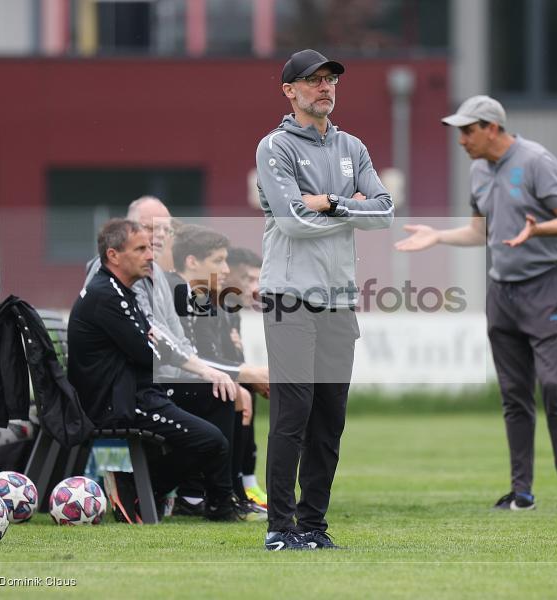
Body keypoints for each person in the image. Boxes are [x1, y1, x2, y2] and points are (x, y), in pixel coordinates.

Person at [395, 95, 557, 511]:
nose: (461, 139)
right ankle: (522, 493)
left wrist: (538, 231)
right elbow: (478, 232)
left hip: (546, 285)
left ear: (493, 128)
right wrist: (439, 236)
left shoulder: (537, 161)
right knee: (514, 393)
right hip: (501, 290)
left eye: (468, 130)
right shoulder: (478, 171)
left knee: (553, 386)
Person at [256, 49, 394, 550]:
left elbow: (385, 213)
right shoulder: (274, 147)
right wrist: (353, 206)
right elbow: (293, 221)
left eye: (330, 79)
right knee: (293, 414)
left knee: (330, 417)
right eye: (313, 81)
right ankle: (279, 528)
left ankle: (313, 525)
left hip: (338, 299)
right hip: (289, 297)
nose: (325, 87)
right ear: (289, 91)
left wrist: (332, 202)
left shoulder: (352, 147)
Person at [68, 218, 242, 521]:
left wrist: (208, 372)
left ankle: (219, 503)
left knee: (218, 393)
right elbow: (150, 353)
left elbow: (156, 345)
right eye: (140, 249)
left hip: (139, 393)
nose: (150, 255)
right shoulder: (106, 295)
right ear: (113, 256)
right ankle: (137, 486)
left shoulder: (124, 291)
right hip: (118, 403)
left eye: (150, 248)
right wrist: (154, 346)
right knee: (211, 441)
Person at [163, 224, 269, 521]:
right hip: (161, 385)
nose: (225, 268)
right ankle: (214, 497)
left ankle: (230, 492)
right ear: (192, 261)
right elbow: (185, 357)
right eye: (218, 261)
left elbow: (209, 355)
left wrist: (245, 373)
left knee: (235, 390)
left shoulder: (201, 296)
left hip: (182, 381)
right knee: (228, 391)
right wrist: (249, 372)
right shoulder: (175, 290)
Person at [84, 196, 234, 397]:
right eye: (151, 228)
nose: (161, 235)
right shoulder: (120, 271)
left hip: (157, 379)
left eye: (166, 229)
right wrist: (202, 371)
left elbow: (177, 335)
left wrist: (201, 373)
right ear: (128, 228)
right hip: (131, 387)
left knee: (224, 390)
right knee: (221, 394)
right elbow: (151, 330)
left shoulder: (156, 273)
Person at [223, 247, 268, 508]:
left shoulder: (232, 312)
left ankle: (247, 483)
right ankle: (237, 487)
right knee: (243, 391)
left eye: (257, 280)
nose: (255, 288)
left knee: (248, 388)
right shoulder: (211, 307)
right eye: (248, 279)